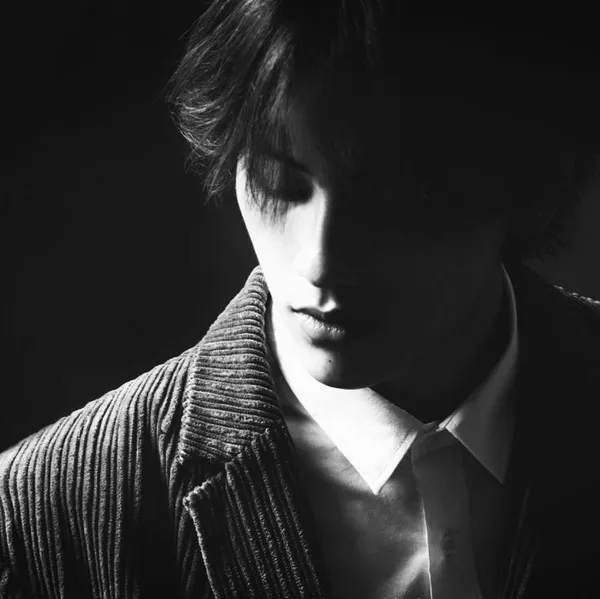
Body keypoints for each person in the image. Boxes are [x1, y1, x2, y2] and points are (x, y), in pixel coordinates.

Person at [1, 2, 599, 598]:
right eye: (278, 181)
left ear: (535, 189)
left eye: (393, 202)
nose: (320, 263)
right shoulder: (40, 516)